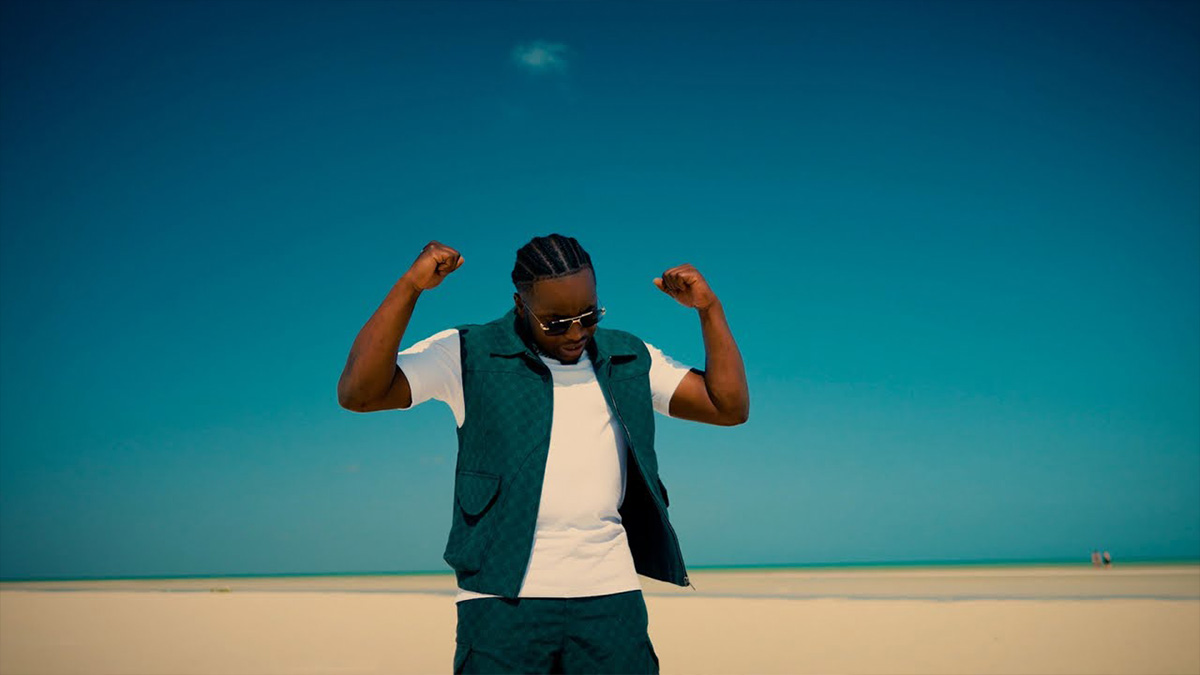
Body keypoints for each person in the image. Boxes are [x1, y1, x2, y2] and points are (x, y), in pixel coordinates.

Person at [337, 235, 749, 674]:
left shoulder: (628, 357)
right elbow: (360, 393)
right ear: (520, 304)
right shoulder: (467, 352)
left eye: (588, 316)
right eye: (555, 323)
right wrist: (410, 287)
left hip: (610, 597)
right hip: (500, 601)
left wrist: (709, 310)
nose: (575, 333)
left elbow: (727, 407)